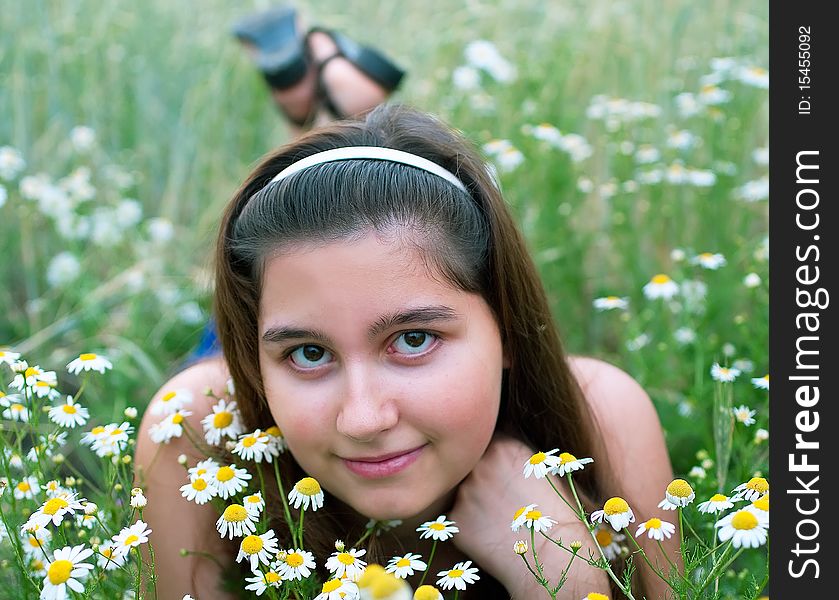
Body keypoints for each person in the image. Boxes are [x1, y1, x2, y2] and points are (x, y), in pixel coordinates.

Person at [135, 105, 676, 599]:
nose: (364, 418)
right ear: (255, 363)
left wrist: (560, 569)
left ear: (508, 327)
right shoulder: (196, 431)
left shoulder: (601, 415)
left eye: (413, 340)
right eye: (307, 353)